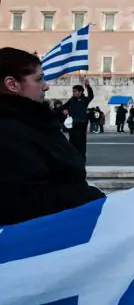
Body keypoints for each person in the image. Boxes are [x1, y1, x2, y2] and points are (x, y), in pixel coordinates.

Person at [0, 47, 105, 226]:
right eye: (39, 79)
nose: (46, 86)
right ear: (13, 84)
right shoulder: (9, 132)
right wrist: (90, 197)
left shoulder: (34, 121)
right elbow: (27, 200)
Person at [61, 78, 94, 162]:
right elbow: (63, 106)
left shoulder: (85, 100)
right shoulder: (72, 100)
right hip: (73, 126)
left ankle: (81, 161)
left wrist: (88, 86)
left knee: (81, 145)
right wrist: (64, 110)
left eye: (75, 91)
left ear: (81, 92)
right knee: (71, 144)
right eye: (73, 91)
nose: (74, 93)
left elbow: (91, 96)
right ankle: (72, 160)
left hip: (82, 125)